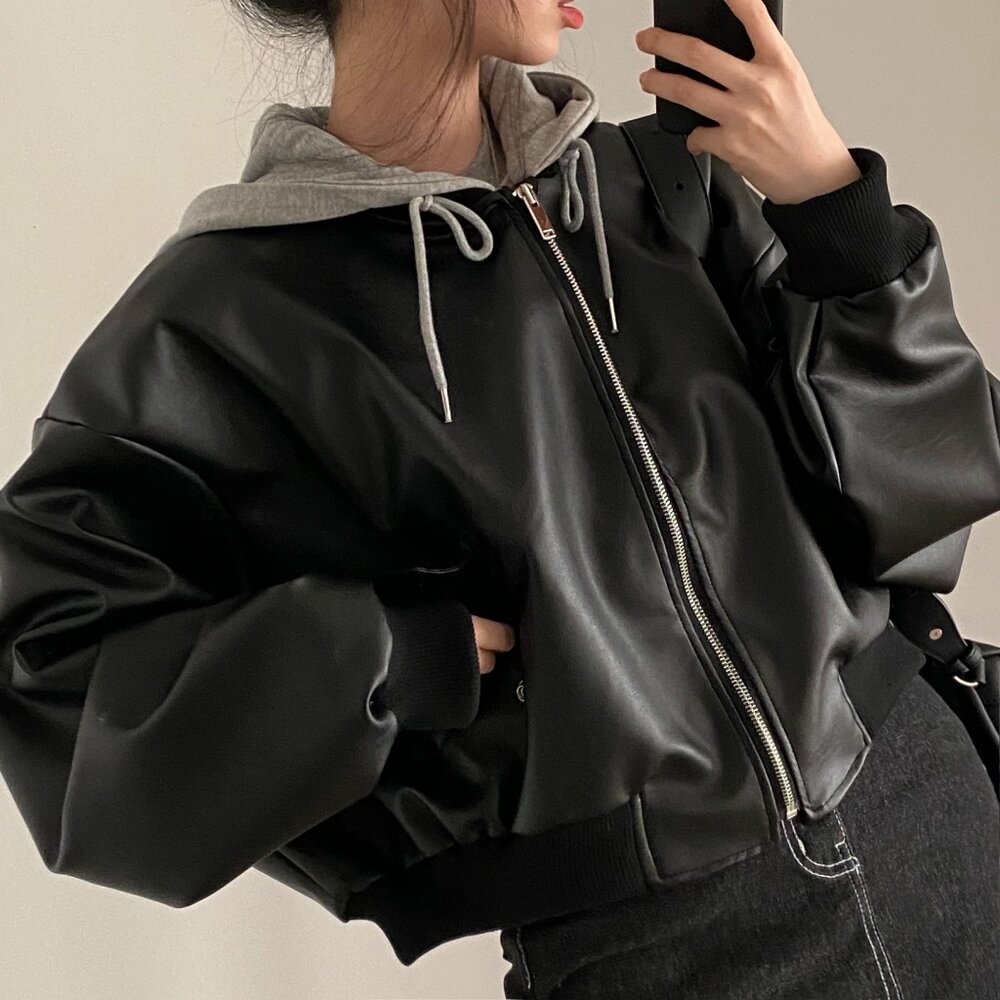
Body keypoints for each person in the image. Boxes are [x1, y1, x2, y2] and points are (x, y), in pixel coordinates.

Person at [1, 0, 998, 997]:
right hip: (657, 947)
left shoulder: (663, 182)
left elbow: (931, 503)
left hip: (932, 807)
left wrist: (834, 211)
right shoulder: (225, 319)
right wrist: (374, 661)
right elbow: (52, 683)